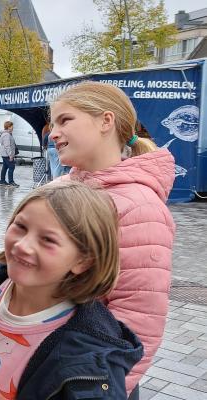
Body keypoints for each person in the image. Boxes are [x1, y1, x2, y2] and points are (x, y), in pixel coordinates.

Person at [0, 181, 143, 400]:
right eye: (21, 227)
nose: (23, 245)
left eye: (47, 240)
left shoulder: (90, 359)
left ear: (83, 261)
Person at [49, 81, 175, 399]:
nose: (53, 133)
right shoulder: (58, 188)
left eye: (65, 120)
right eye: (53, 123)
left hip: (85, 380)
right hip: (45, 365)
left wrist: (95, 390)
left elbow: (138, 322)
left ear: (106, 121)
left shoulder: (139, 207)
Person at [0, 121, 18, 187]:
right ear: (8, 127)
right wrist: (10, 155)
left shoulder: (6, 134)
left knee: (5, 167)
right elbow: (7, 146)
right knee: (11, 167)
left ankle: (2, 181)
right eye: (11, 126)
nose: (13, 127)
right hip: (7, 154)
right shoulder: (6, 135)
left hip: (4, 154)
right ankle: (11, 182)